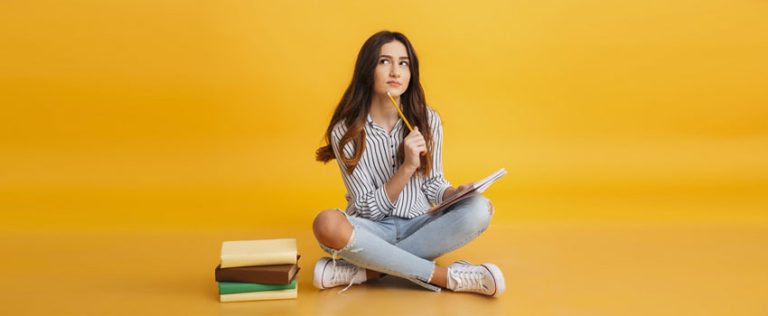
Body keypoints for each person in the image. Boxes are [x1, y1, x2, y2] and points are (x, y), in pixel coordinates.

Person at [312, 30, 505, 297]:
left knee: (480, 209)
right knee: (326, 224)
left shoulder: (428, 120)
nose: (396, 71)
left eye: (404, 63)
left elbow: (434, 183)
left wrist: (454, 194)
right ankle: (445, 277)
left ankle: (368, 270)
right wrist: (406, 168)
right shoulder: (345, 132)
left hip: (421, 223)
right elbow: (368, 210)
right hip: (372, 230)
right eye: (384, 62)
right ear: (368, 69)